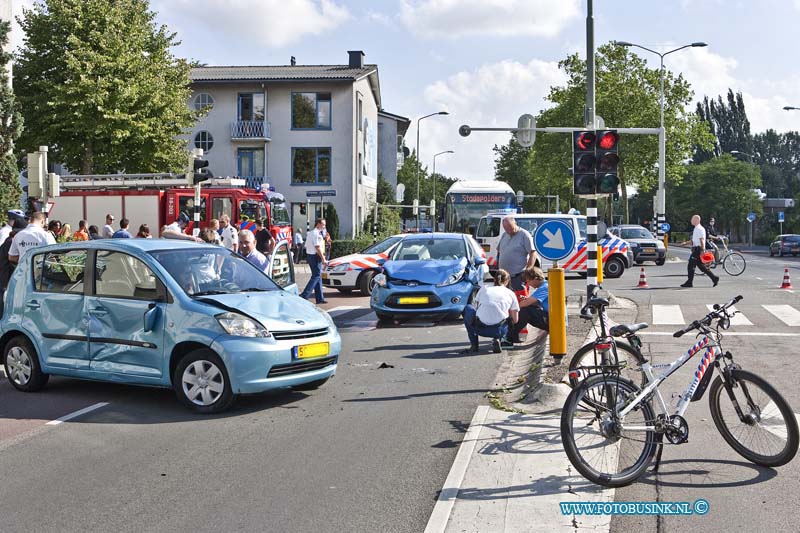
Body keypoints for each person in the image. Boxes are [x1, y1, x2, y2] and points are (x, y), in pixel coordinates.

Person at [461, 269, 520, 354]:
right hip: (500, 330)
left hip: (480, 329)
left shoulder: (484, 288)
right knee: (509, 315)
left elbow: (477, 307)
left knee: (468, 308)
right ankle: (499, 338)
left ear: (494, 279)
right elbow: (515, 320)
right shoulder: (511, 293)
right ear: (507, 281)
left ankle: (474, 345)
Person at [509, 267, 549, 343]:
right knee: (528, 307)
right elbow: (536, 302)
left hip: (552, 321)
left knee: (525, 310)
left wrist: (513, 309)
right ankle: (512, 334)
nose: (528, 284)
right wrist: (526, 300)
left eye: (529, 281)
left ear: (536, 278)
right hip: (550, 318)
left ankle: (511, 335)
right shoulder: (546, 285)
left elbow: (526, 303)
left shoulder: (545, 287)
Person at [496, 216, 538, 291]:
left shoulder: (524, 235)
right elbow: (499, 251)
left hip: (517, 276)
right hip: (504, 276)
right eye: (506, 229)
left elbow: (533, 253)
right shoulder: (504, 235)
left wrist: (527, 271)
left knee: (519, 299)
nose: (509, 231)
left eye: (511, 228)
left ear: (515, 223)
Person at [0, 218, 29, 317]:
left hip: (4, 278)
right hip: (7, 279)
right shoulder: (12, 241)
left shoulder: (9, 240)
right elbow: (12, 261)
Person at [682, 214, 719, 288]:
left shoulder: (699, 229)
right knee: (701, 267)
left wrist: (702, 251)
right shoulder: (696, 228)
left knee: (691, 266)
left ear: (697, 220)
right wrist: (686, 243)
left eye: (692, 219)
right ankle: (714, 278)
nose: (691, 220)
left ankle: (689, 282)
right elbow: (694, 240)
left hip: (698, 250)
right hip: (696, 249)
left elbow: (702, 240)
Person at [300, 218, 328, 304]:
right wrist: (323, 259)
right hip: (315, 257)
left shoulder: (311, 233)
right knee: (316, 276)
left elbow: (306, 246)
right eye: (323, 224)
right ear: (318, 224)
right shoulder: (317, 234)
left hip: (310, 256)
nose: (324, 226)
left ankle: (320, 298)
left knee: (318, 276)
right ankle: (305, 295)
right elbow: (317, 247)